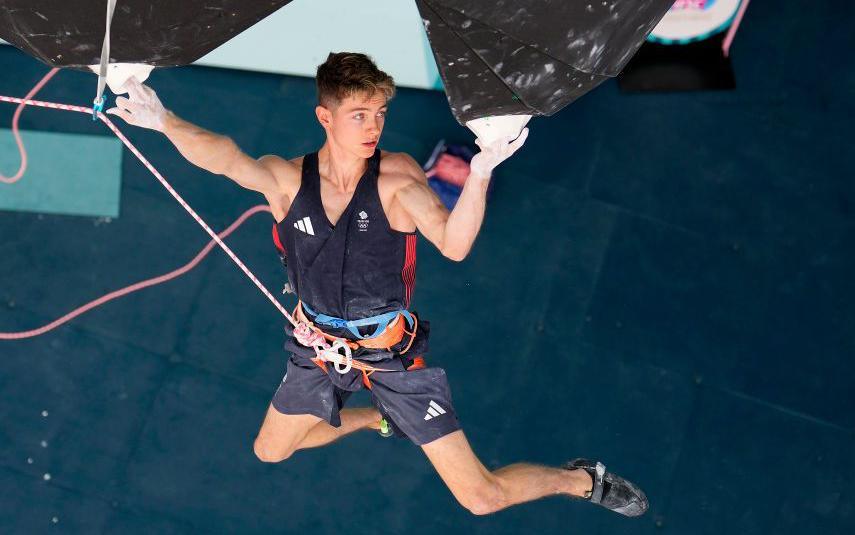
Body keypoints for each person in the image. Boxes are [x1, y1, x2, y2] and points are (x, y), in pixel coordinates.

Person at [107, 52, 648, 517]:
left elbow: (454, 244)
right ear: (325, 117)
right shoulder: (288, 180)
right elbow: (225, 158)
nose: (374, 127)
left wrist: (481, 173)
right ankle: (373, 420)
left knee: (481, 498)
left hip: (390, 354)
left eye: (381, 114)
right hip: (318, 347)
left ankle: (581, 480)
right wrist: (163, 120)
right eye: (360, 115)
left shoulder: (395, 181)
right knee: (270, 450)